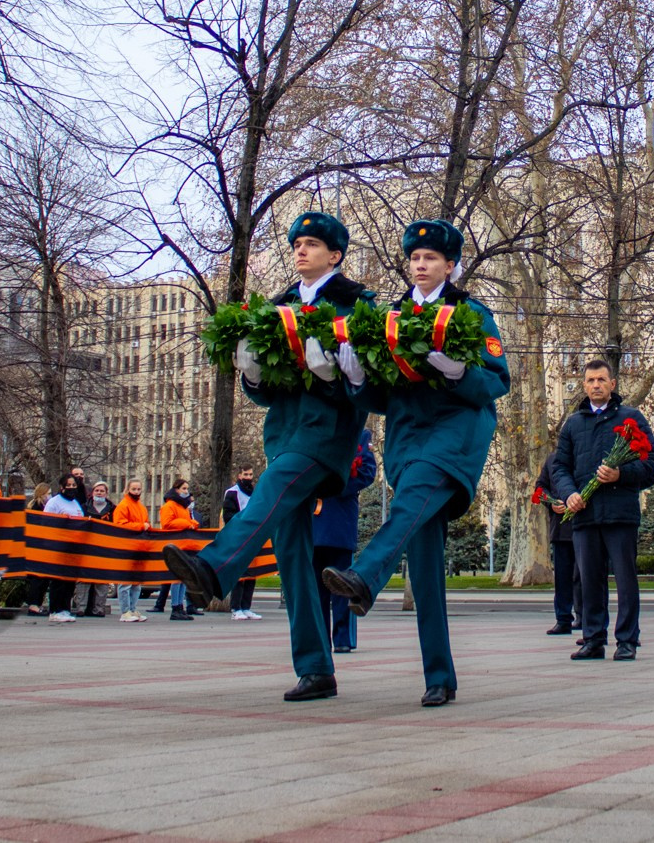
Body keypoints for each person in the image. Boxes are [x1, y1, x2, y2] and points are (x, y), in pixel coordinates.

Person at [167, 211, 374, 699]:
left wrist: (340, 374)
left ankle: (214, 567)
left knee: (272, 489)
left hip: (326, 436)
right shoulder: (277, 306)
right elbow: (267, 392)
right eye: (297, 243)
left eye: (312, 244)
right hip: (284, 434)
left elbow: (369, 380)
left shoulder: (356, 303)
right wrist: (253, 376)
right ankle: (316, 669)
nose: (301, 250)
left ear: (335, 255)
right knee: (293, 557)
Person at [321, 218, 511, 707]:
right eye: (414, 258)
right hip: (407, 440)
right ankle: (439, 677)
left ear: (451, 265)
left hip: (453, 438)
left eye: (431, 258)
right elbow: (384, 397)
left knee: (414, 500)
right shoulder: (390, 317)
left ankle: (366, 575)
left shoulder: (472, 313)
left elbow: (496, 381)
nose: (421, 265)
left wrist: (460, 372)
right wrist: (357, 380)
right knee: (424, 564)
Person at [549, 357, 654, 660]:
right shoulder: (573, 423)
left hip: (620, 514)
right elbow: (560, 467)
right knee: (589, 580)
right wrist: (570, 494)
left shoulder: (631, 417)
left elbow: (651, 464)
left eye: (601, 380)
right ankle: (593, 639)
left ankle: (627, 640)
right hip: (585, 516)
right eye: (591, 380)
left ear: (612, 383)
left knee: (625, 580)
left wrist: (620, 474)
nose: (596, 385)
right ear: (584, 385)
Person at [313, 428, 377, 653]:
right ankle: (320, 639)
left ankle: (342, 639)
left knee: (342, 584)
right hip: (313, 521)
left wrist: (334, 487)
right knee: (316, 589)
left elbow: (367, 471)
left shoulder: (359, 434)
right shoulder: (314, 430)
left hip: (340, 521)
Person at [215, 468, 262, 620]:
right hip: (238, 535)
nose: (248, 477)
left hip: (252, 536)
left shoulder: (254, 492)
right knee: (239, 573)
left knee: (251, 573)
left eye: (250, 474)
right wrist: (243, 522)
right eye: (245, 474)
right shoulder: (232, 492)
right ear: (239, 475)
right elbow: (228, 515)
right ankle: (236, 608)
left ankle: (246, 607)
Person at [539, 453, 577, 636]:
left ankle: (585, 617)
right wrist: (551, 503)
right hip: (561, 530)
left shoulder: (584, 454)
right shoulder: (553, 459)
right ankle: (563, 619)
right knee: (562, 579)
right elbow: (540, 488)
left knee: (586, 578)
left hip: (585, 527)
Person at [41, 473, 88, 622]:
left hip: (73, 548)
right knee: (58, 581)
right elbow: (46, 523)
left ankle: (65, 609)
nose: (71, 488)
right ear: (62, 487)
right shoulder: (54, 502)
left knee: (69, 581)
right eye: (68, 485)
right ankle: (55, 610)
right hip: (58, 547)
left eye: (74, 485)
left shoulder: (75, 503)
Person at [157, 482, 200, 620]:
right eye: (183, 488)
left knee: (183, 578)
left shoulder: (183, 507)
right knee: (176, 578)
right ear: (176, 490)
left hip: (184, 545)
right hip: (174, 546)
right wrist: (187, 524)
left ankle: (180, 607)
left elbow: (189, 522)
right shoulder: (169, 506)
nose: (186, 491)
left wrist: (191, 523)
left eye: (187, 488)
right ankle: (175, 607)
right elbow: (167, 523)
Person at [73, 481, 114, 618]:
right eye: (97, 490)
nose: (99, 493)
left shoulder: (112, 509)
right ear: (92, 492)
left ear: (106, 493)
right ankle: (81, 608)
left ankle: (99, 608)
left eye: (102, 491)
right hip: (86, 548)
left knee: (101, 580)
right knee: (83, 579)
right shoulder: (84, 508)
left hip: (104, 549)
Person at [113, 480, 151, 620]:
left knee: (136, 582)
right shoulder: (123, 506)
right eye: (133, 489)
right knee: (125, 582)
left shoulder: (141, 507)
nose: (136, 492)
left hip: (139, 547)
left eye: (138, 489)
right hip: (126, 547)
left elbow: (146, 524)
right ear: (127, 489)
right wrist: (141, 526)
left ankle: (133, 609)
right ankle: (125, 611)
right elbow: (120, 526)